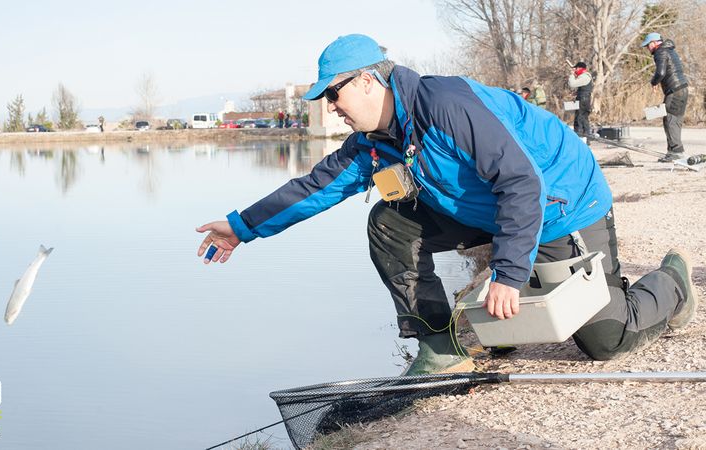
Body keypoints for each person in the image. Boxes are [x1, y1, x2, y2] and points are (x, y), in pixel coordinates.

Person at [196, 34, 697, 376]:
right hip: (485, 212)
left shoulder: (446, 104)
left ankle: (672, 283)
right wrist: (241, 227)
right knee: (388, 223)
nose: (330, 107)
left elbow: (522, 183)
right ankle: (440, 347)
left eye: (334, 93)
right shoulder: (374, 142)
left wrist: (506, 273)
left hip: (564, 204)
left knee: (606, 340)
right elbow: (314, 188)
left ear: (368, 81)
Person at [641, 32, 689, 162]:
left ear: (655, 43)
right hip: (683, 89)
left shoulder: (660, 52)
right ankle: (674, 151)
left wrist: (654, 82)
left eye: (648, 45)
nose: (647, 48)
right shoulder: (670, 50)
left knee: (669, 120)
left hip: (674, 91)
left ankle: (676, 152)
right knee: (675, 120)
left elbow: (661, 72)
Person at [568, 62, 593, 137]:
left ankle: (580, 137)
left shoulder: (585, 76)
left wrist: (572, 74)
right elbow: (584, 89)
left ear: (580, 68)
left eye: (576, 68)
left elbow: (572, 84)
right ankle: (585, 137)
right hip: (584, 98)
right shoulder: (584, 76)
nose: (575, 70)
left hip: (583, 99)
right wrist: (577, 93)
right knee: (583, 118)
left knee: (580, 118)